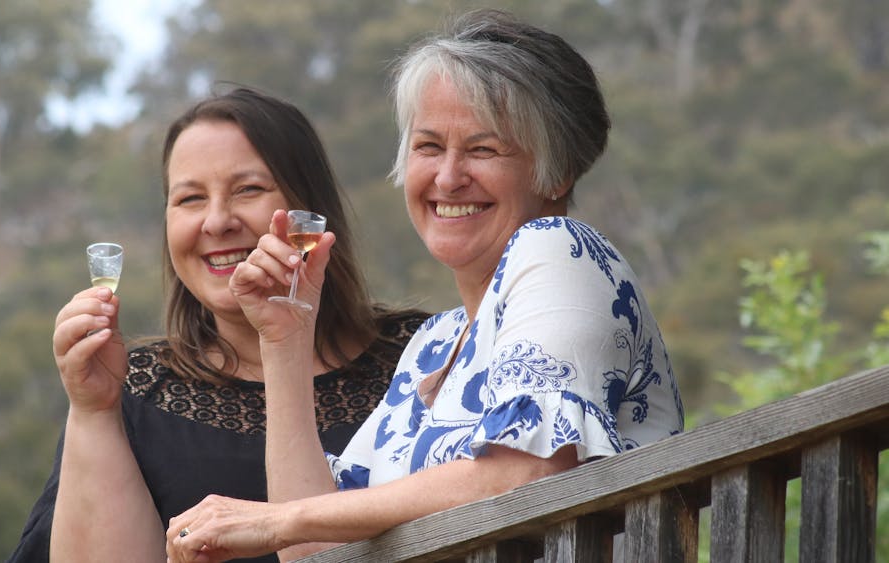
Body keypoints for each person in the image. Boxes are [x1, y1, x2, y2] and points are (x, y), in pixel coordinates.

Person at [165, 9, 685, 562]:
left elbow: (525, 470)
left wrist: (275, 522)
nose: (447, 177)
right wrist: (285, 342)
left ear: (554, 174)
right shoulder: (431, 346)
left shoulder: (561, 247)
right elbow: (312, 551)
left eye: (483, 150)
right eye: (429, 147)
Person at [4, 87, 428, 563]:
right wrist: (93, 411)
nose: (217, 221)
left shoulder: (424, 356)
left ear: (310, 207)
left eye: (248, 190)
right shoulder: (135, 390)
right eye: (189, 198)